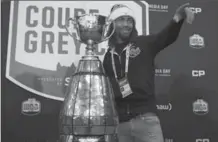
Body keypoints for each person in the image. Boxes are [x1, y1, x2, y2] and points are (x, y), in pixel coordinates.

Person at [103, 3, 194, 142]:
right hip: (121, 124)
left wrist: (177, 18)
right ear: (113, 24)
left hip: (145, 120)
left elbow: (165, 37)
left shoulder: (143, 43)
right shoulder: (109, 56)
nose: (127, 24)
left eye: (130, 21)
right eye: (121, 20)